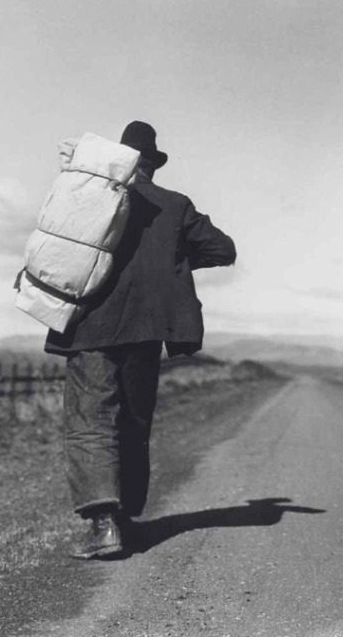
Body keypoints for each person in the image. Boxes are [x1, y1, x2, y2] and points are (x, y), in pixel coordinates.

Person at [44, 121, 236, 559]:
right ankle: (125, 518)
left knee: (91, 419)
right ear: (151, 164)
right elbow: (223, 249)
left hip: (89, 326)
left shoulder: (88, 194)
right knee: (134, 420)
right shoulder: (174, 206)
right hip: (147, 332)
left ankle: (103, 526)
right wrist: (171, 264)